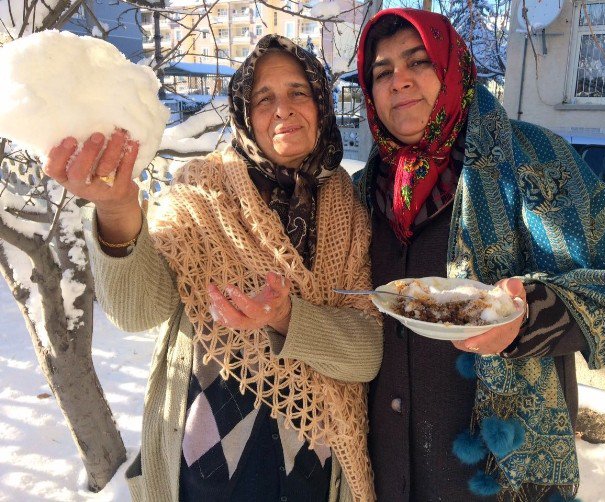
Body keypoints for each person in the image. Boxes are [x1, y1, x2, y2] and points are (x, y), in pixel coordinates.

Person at [44, 35, 382, 502]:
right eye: (264, 97)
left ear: (321, 104)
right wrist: (119, 208)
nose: (282, 108)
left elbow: (366, 353)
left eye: (297, 92)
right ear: (244, 112)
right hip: (206, 464)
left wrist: (287, 318)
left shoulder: (351, 211)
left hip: (315, 467)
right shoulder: (201, 193)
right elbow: (136, 310)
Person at [355, 8, 605, 501]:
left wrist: (528, 316)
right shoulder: (363, 193)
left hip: (498, 477)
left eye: (418, 62)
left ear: (453, 69)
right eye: (382, 71)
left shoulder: (534, 163)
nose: (399, 81)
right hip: (388, 470)